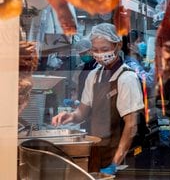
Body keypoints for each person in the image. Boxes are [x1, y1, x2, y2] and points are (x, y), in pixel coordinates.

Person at [52, 23, 144, 175]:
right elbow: (82, 112)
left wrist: (115, 162)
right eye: (95, 50)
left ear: (118, 45)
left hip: (120, 158)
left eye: (105, 49)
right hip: (98, 152)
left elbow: (131, 125)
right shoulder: (93, 76)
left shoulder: (127, 78)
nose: (99, 54)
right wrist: (70, 116)